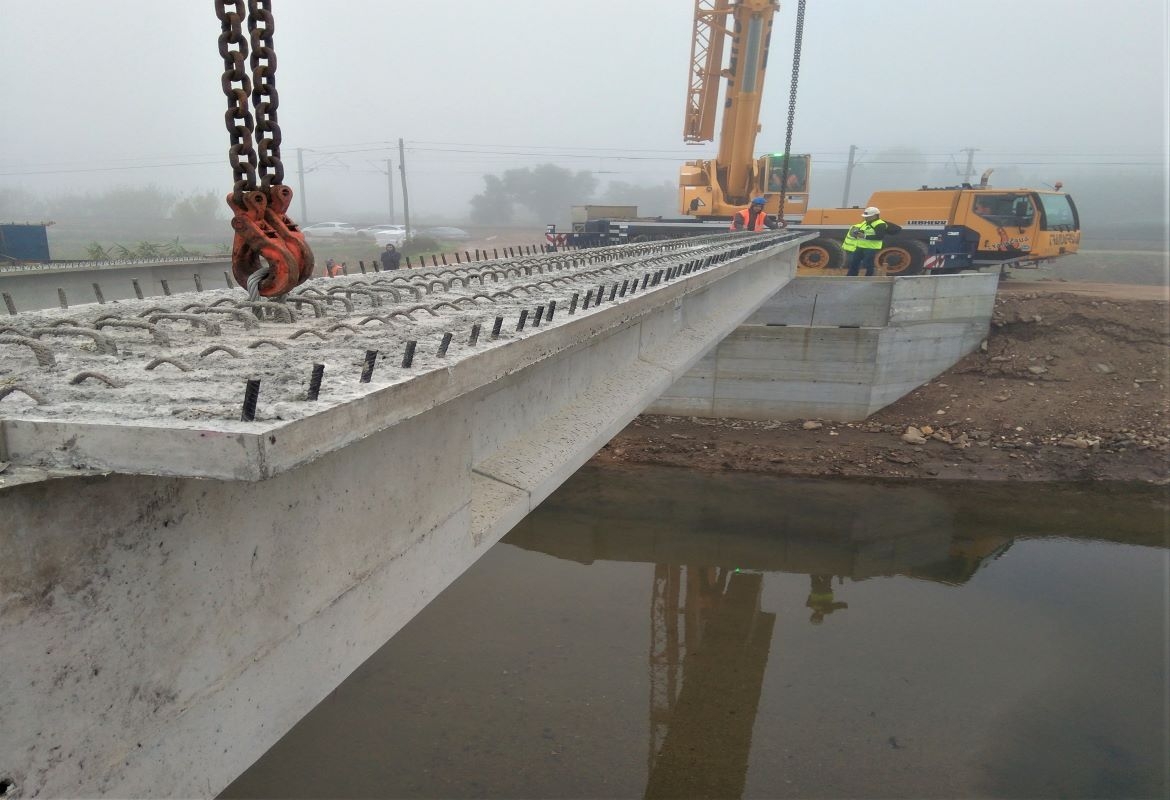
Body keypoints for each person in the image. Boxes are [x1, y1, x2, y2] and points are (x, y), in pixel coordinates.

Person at [842, 206, 900, 277]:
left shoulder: (880, 224)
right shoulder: (866, 222)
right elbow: (864, 230)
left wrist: (864, 236)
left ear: (875, 216)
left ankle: (868, 277)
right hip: (860, 246)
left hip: (871, 247)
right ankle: (851, 276)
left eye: (868, 216)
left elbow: (879, 237)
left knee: (868, 263)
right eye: (865, 216)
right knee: (854, 262)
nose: (866, 217)